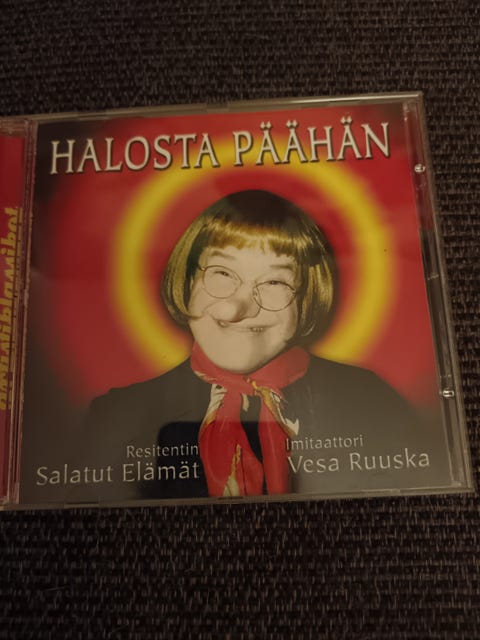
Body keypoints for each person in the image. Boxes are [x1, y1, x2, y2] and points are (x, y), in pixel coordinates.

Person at [71, 190, 448, 504]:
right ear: (187, 282)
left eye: (274, 283)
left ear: (307, 298)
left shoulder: (372, 402)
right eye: (222, 273)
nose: (239, 309)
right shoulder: (117, 417)